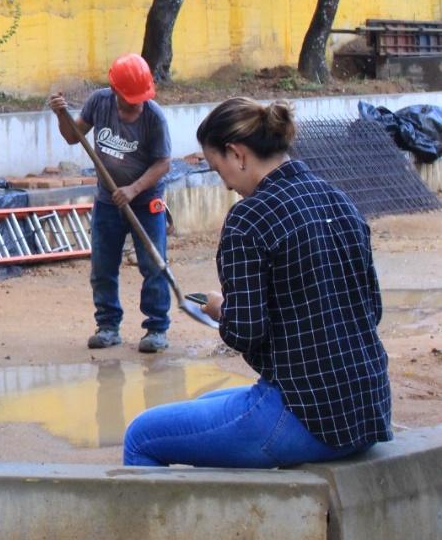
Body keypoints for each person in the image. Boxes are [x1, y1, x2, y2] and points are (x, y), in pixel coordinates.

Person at [123, 98, 392, 467]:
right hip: (369, 409)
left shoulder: (248, 218)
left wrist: (221, 310)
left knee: (142, 435)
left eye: (219, 171)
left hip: (307, 418)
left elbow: (246, 331)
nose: (228, 186)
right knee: (200, 408)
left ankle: (179, 527)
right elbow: (371, 311)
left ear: (238, 155)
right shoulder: (339, 200)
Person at [50, 53, 172, 353]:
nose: (137, 102)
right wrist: (61, 116)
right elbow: (72, 137)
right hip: (107, 201)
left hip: (146, 202)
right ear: (115, 89)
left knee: (153, 267)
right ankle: (108, 326)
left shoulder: (153, 117)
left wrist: (133, 189)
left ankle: (156, 329)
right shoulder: (99, 103)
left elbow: (163, 163)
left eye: (141, 97)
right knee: (103, 267)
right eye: (131, 97)